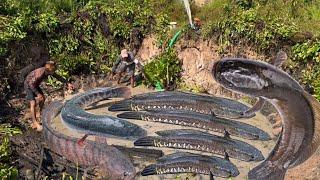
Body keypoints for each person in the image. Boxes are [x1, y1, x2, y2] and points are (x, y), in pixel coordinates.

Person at [24, 61, 73, 131]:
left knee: (43, 98)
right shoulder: (40, 73)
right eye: (54, 71)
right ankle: (35, 123)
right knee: (33, 103)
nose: (54, 72)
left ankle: (39, 114)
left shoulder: (49, 71)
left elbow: (58, 77)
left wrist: (67, 83)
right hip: (28, 84)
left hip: (35, 84)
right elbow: (30, 84)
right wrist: (37, 94)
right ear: (49, 70)